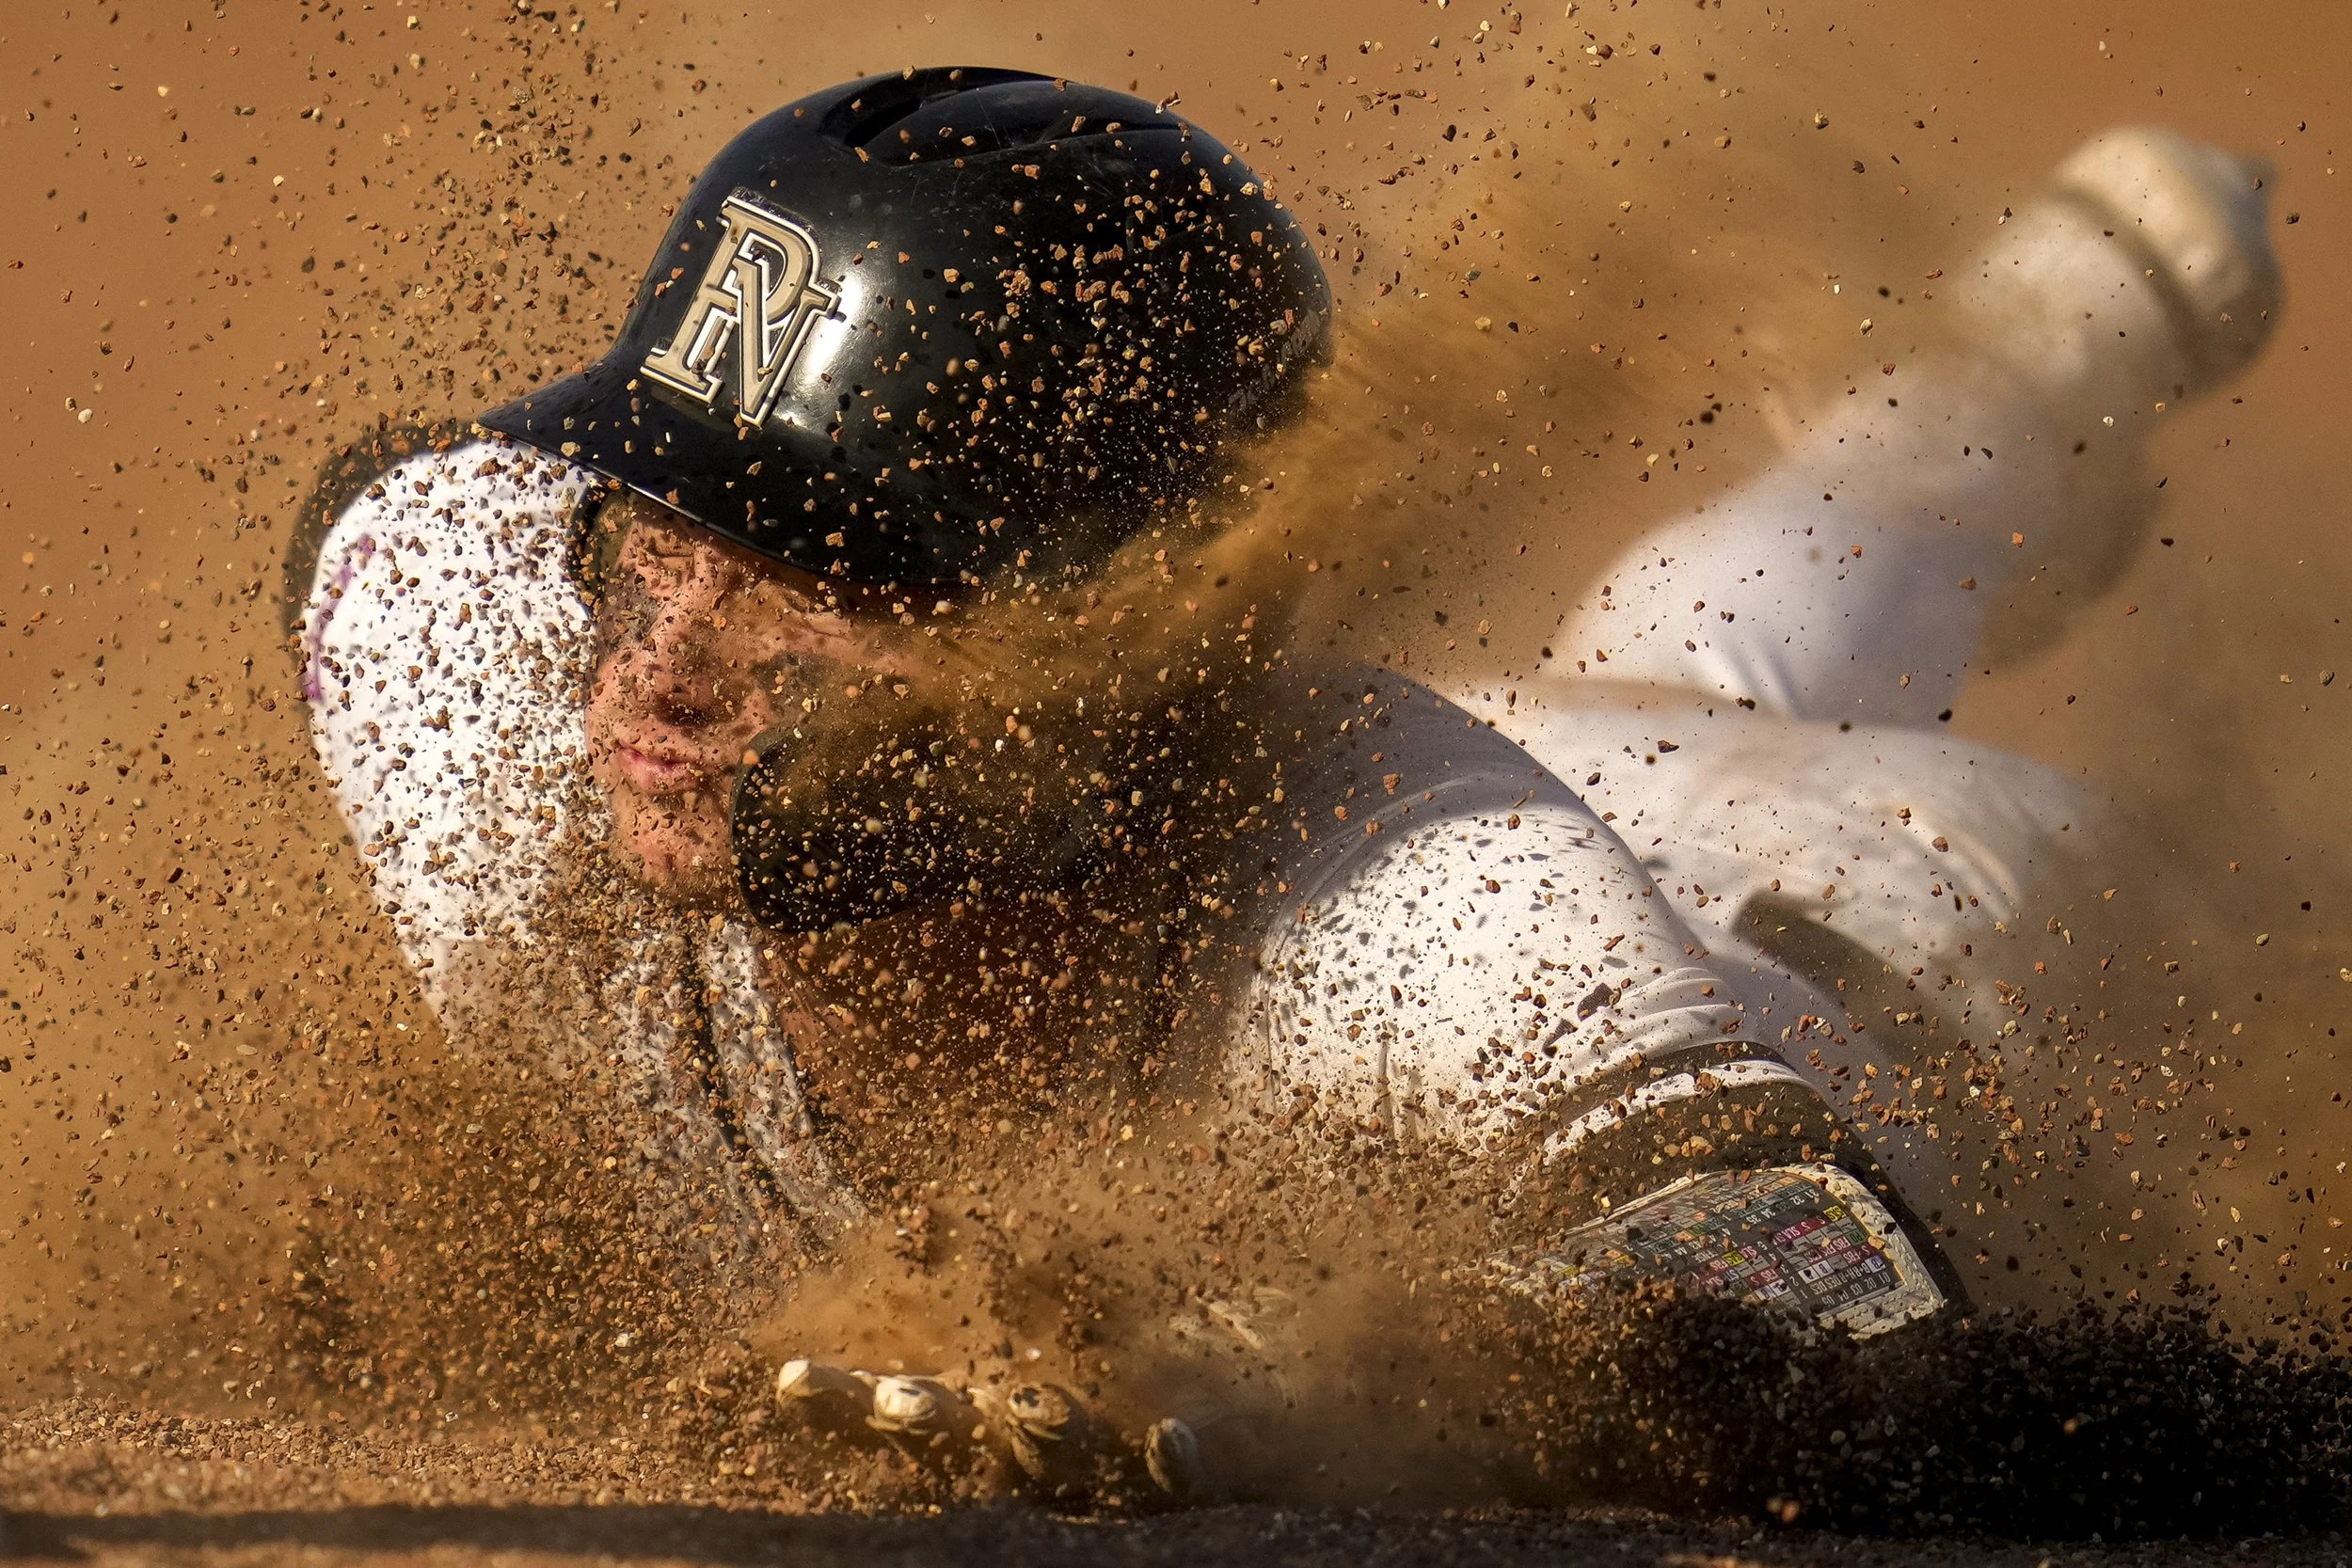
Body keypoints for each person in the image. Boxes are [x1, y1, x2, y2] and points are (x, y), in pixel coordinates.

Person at [293, 68, 1958, 1497]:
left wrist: (1337, 1360)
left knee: (1750, 671)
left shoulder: (1399, 893)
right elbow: (389, 511)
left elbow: (1830, 1248)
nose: (655, 670)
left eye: (814, 581)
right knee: (1685, 651)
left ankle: (2039, 342)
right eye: (664, 535)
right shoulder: (496, 698)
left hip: (1854, 906)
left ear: (1110, 646)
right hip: (1554, 755)